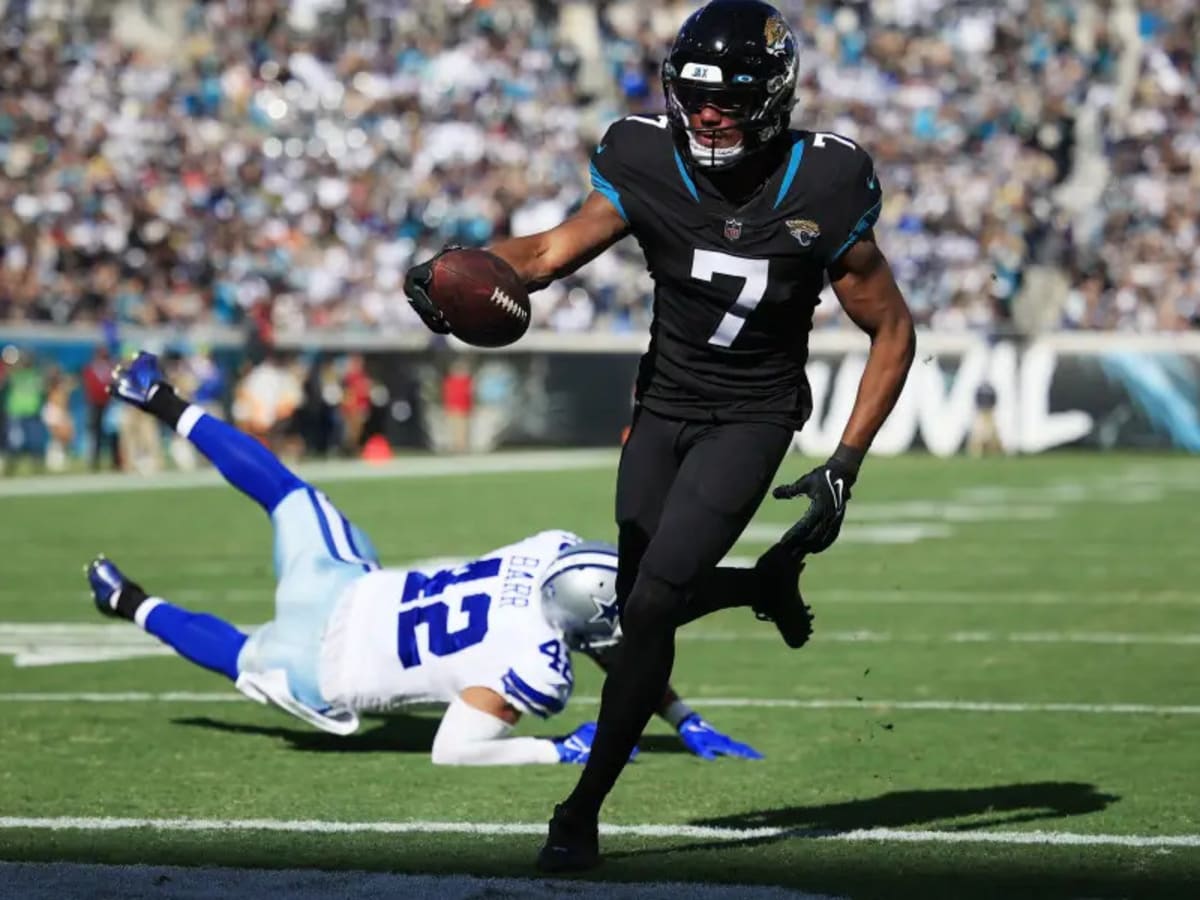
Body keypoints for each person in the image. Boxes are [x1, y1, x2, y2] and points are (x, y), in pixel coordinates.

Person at [404, 0, 916, 871]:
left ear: (775, 95)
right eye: (695, 95)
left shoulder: (825, 182)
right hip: (664, 406)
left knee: (647, 608)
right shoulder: (642, 155)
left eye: (730, 97)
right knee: (634, 604)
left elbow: (892, 331)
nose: (707, 114)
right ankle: (760, 587)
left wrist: (844, 465)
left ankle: (581, 809)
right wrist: (464, 270)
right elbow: (553, 253)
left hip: (752, 415)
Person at [85, 351, 761, 767]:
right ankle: (126, 601)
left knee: (285, 492)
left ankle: (161, 400)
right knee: (235, 653)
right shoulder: (537, 665)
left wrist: (679, 716)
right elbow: (454, 750)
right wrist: (555, 749)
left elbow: (593, 625)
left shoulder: (551, 550)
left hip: (349, 588)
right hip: (326, 671)